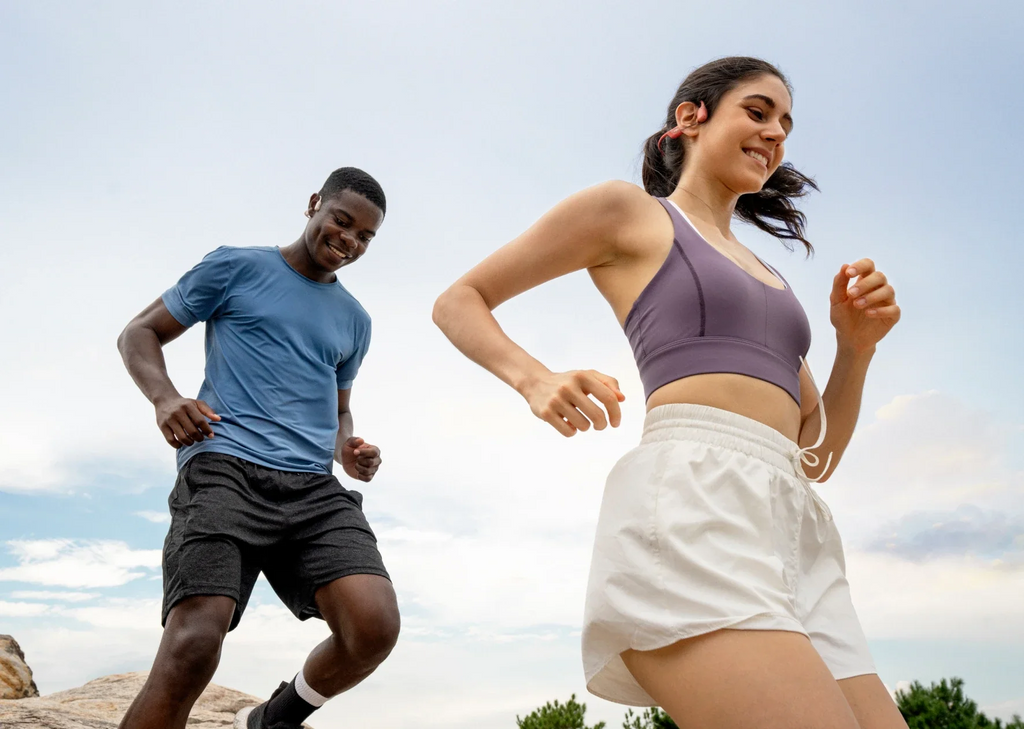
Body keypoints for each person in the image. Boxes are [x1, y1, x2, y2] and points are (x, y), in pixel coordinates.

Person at [432, 58, 906, 728]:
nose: (776, 134)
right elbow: (460, 300)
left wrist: (855, 349)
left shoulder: (771, 277)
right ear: (691, 116)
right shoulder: (631, 213)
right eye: (759, 111)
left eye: (786, 125)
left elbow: (815, 458)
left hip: (794, 530)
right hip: (694, 506)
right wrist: (534, 377)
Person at [116, 167, 399, 729]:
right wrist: (166, 398)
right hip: (225, 469)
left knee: (373, 627)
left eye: (365, 237)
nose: (349, 240)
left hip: (313, 489)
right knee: (195, 643)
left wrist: (349, 448)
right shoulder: (236, 266)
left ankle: (274, 718)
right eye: (342, 221)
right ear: (314, 204)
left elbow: (339, 409)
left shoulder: (356, 321)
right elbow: (138, 332)